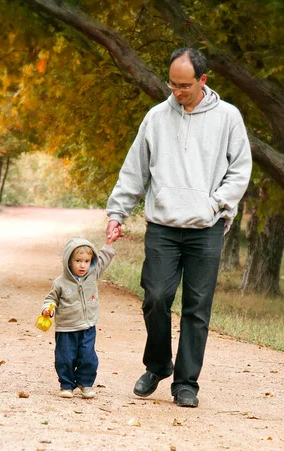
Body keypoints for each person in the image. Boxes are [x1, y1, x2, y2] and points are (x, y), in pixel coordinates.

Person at [106, 47, 252, 408]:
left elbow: (240, 170)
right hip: (163, 226)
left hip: (206, 228)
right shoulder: (156, 117)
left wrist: (215, 204)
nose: (177, 91)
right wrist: (116, 213)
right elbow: (135, 170)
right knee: (155, 297)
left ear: (203, 80)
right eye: (172, 84)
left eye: (184, 85)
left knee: (197, 308)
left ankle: (186, 384)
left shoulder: (228, 118)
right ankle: (157, 366)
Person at [41, 234, 117, 399]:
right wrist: (48, 309)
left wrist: (109, 244)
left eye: (86, 261)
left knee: (88, 357)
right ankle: (66, 385)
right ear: (69, 261)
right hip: (66, 328)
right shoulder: (60, 282)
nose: (83, 265)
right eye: (78, 261)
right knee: (65, 358)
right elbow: (50, 299)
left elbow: (103, 260)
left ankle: (85, 384)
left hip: (88, 326)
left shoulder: (92, 275)